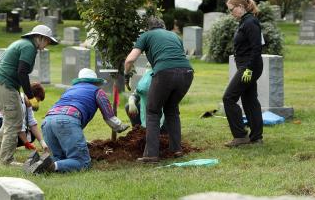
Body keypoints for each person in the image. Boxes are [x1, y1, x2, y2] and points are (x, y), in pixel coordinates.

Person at [26, 68, 129, 174]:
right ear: (95, 82)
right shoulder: (97, 91)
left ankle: (37, 162)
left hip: (47, 121)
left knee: (59, 158)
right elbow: (109, 117)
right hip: (67, 120)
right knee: (83, 162)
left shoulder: (70, 90)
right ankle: (50, 166)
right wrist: (120, 127)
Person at [124, 16, 193, 163]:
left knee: (153, 110)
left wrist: (126, 75)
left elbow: (130, 59)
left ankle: (151, 154)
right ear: (163, 26)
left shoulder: (146, 35)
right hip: (187, 73)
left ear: (148, 28)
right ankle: (176, 149)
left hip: (164, 73)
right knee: (172, 110)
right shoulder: (174, 36)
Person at [0, 24, 58, 166]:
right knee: (14, 122)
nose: (48, 44)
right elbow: (22, 73)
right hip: (5, 84)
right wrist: (31, 97)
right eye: (47, 41)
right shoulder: (29, 47)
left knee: (14, 118)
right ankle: (6, 160)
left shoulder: (25, 44)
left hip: (3, 83)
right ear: (40, 38)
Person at [223, 0, 264, 147]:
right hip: (247, 66)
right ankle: (256, 137)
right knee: (250, 99)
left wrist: (248, 69)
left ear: (240, 7)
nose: (231, 12)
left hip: (249, 67)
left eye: (231, 9)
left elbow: (257, 49)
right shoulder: (244, 22)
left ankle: (240, 136)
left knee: (228, 98)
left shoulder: (251, 22)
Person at [0, 82, 48, 154]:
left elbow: (32, 123)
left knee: (31, 135)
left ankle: (2, 144)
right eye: (36, 100)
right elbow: (19, 125)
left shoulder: (28, 104)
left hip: (6, 124)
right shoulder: (17, 99)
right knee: (11, 121)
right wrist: (26, 143)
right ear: (29, 95)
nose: (36, 104)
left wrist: (42, 143)